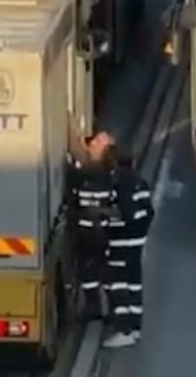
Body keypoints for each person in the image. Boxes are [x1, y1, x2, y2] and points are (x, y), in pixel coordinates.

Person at [102, 148, 154, 349]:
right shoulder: (140, 182)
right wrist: (141, 235)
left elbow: (125, 214)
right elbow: (149, 212)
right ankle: (135, 328)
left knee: (117, 285)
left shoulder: (120, 184)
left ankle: (124, 329)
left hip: (121, 243)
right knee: (134, 285)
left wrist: (105, 221)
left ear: (114, 163)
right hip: (135, 244)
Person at [70, 132, 118, 320]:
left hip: (93, 234)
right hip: (100, 234)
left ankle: (96, 308)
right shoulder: (110, 174)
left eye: (96, 142)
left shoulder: (87, 173)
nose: (90, 145)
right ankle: (108, 310)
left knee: (93, 272)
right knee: (99, 273)